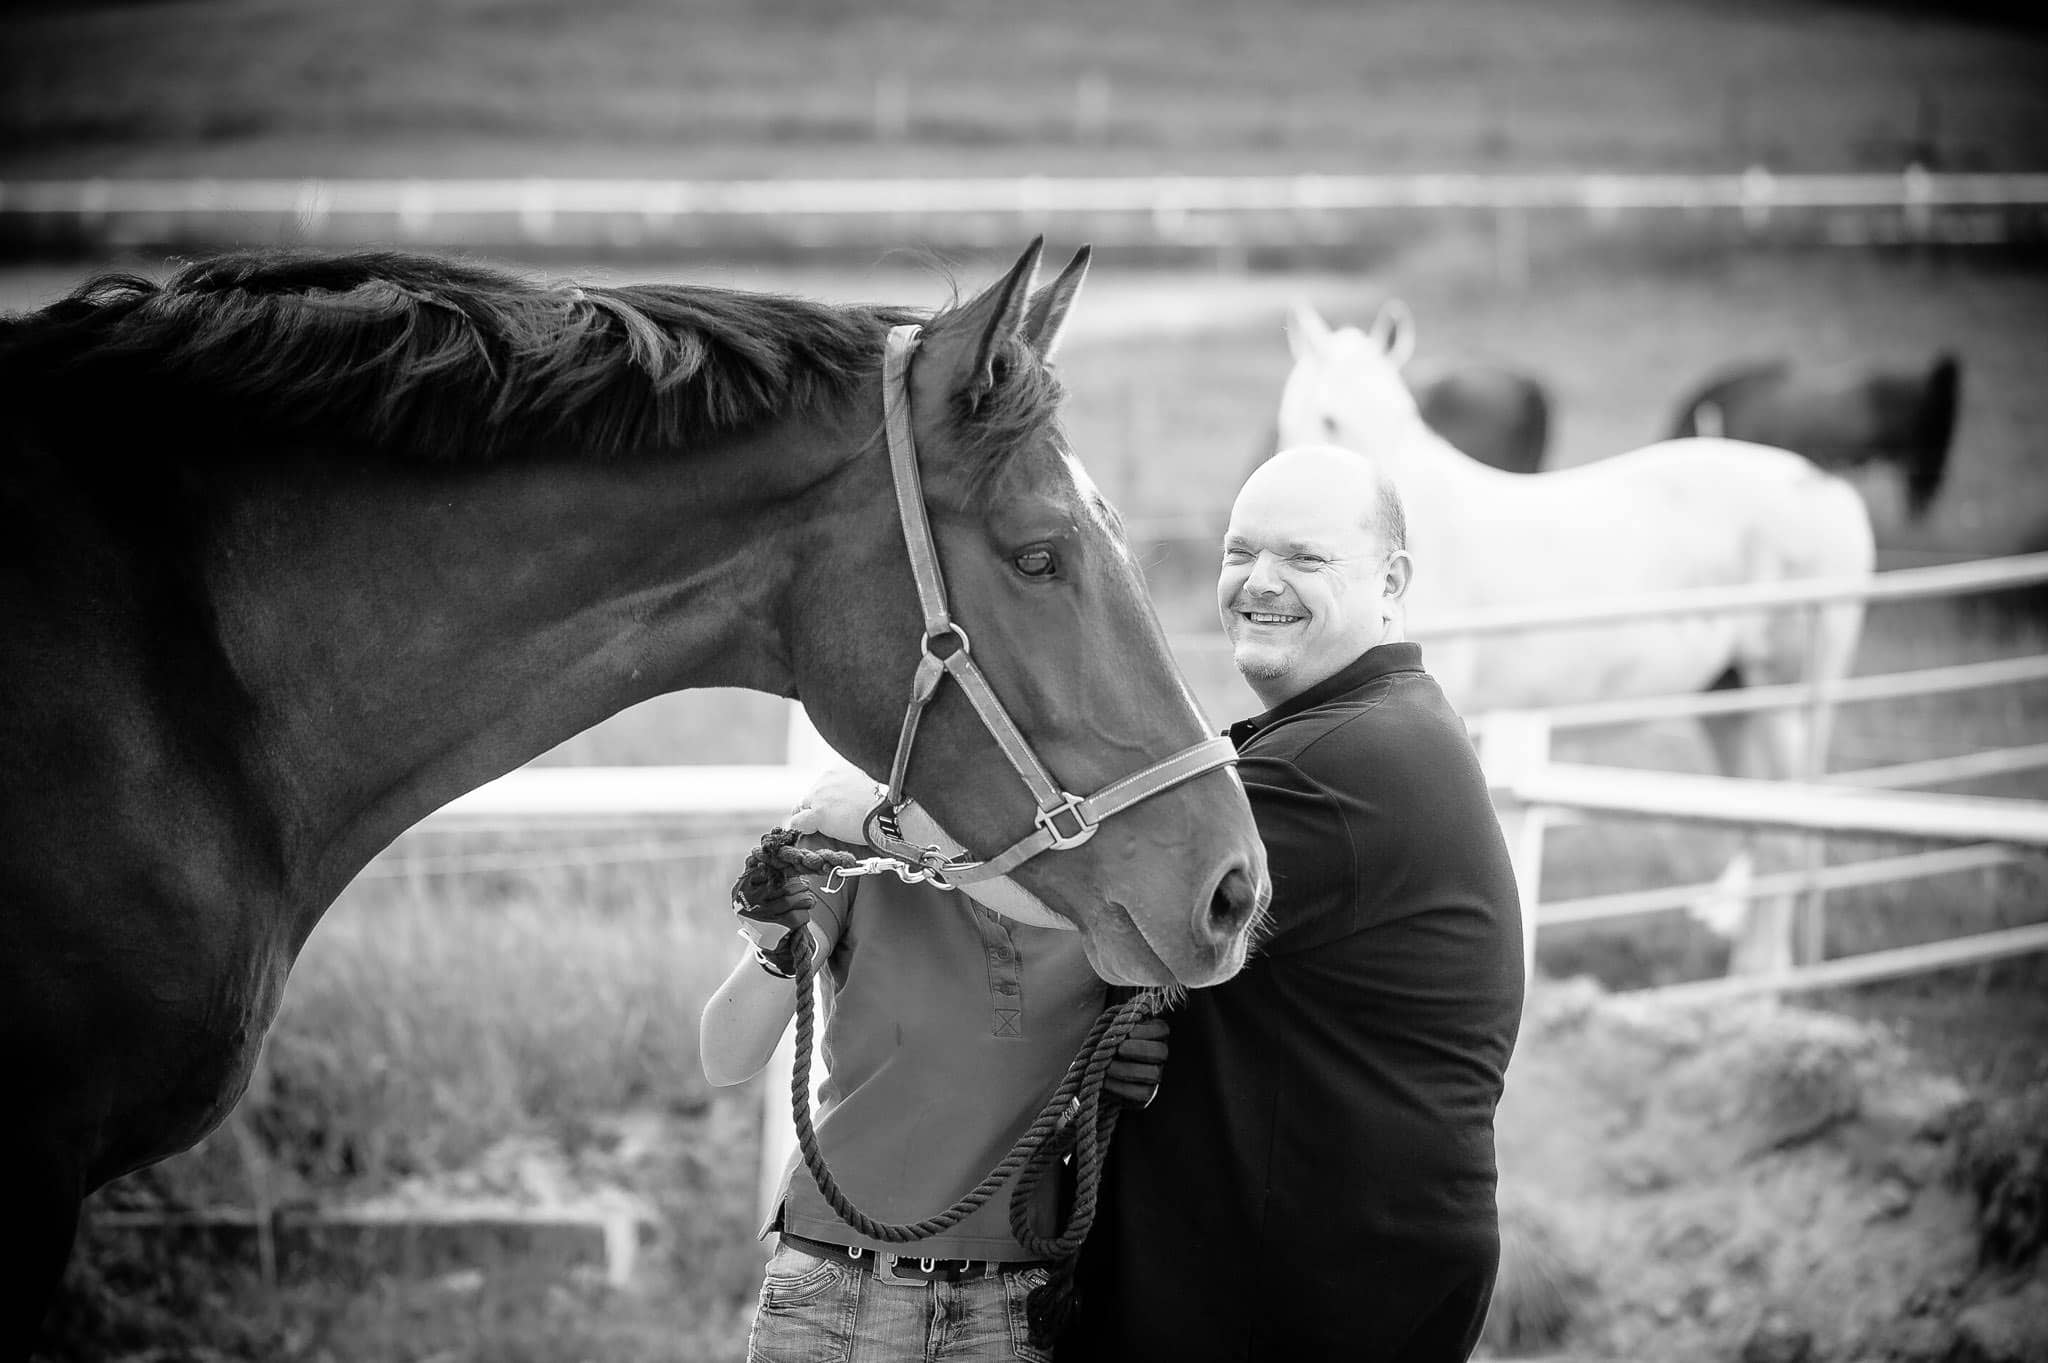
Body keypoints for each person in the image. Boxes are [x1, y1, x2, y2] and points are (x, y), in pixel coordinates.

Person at [1061, 443, 1526, 1361]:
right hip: (1321, 1274)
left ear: (1391, 579)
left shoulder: (1334, 766)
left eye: (1305, 559)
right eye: (1240, 552)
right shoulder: (1375, 725)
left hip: (1300, 1295)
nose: (1258, 582)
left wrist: (878, 830)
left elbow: (1097, 899)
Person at [700, 784, 1169, 1363]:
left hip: (1011, 1298)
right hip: (837, 1286)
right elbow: (726, 1057)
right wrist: (774, 953)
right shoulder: (848, 840)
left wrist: (1138, 1063)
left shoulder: (1108, 860)